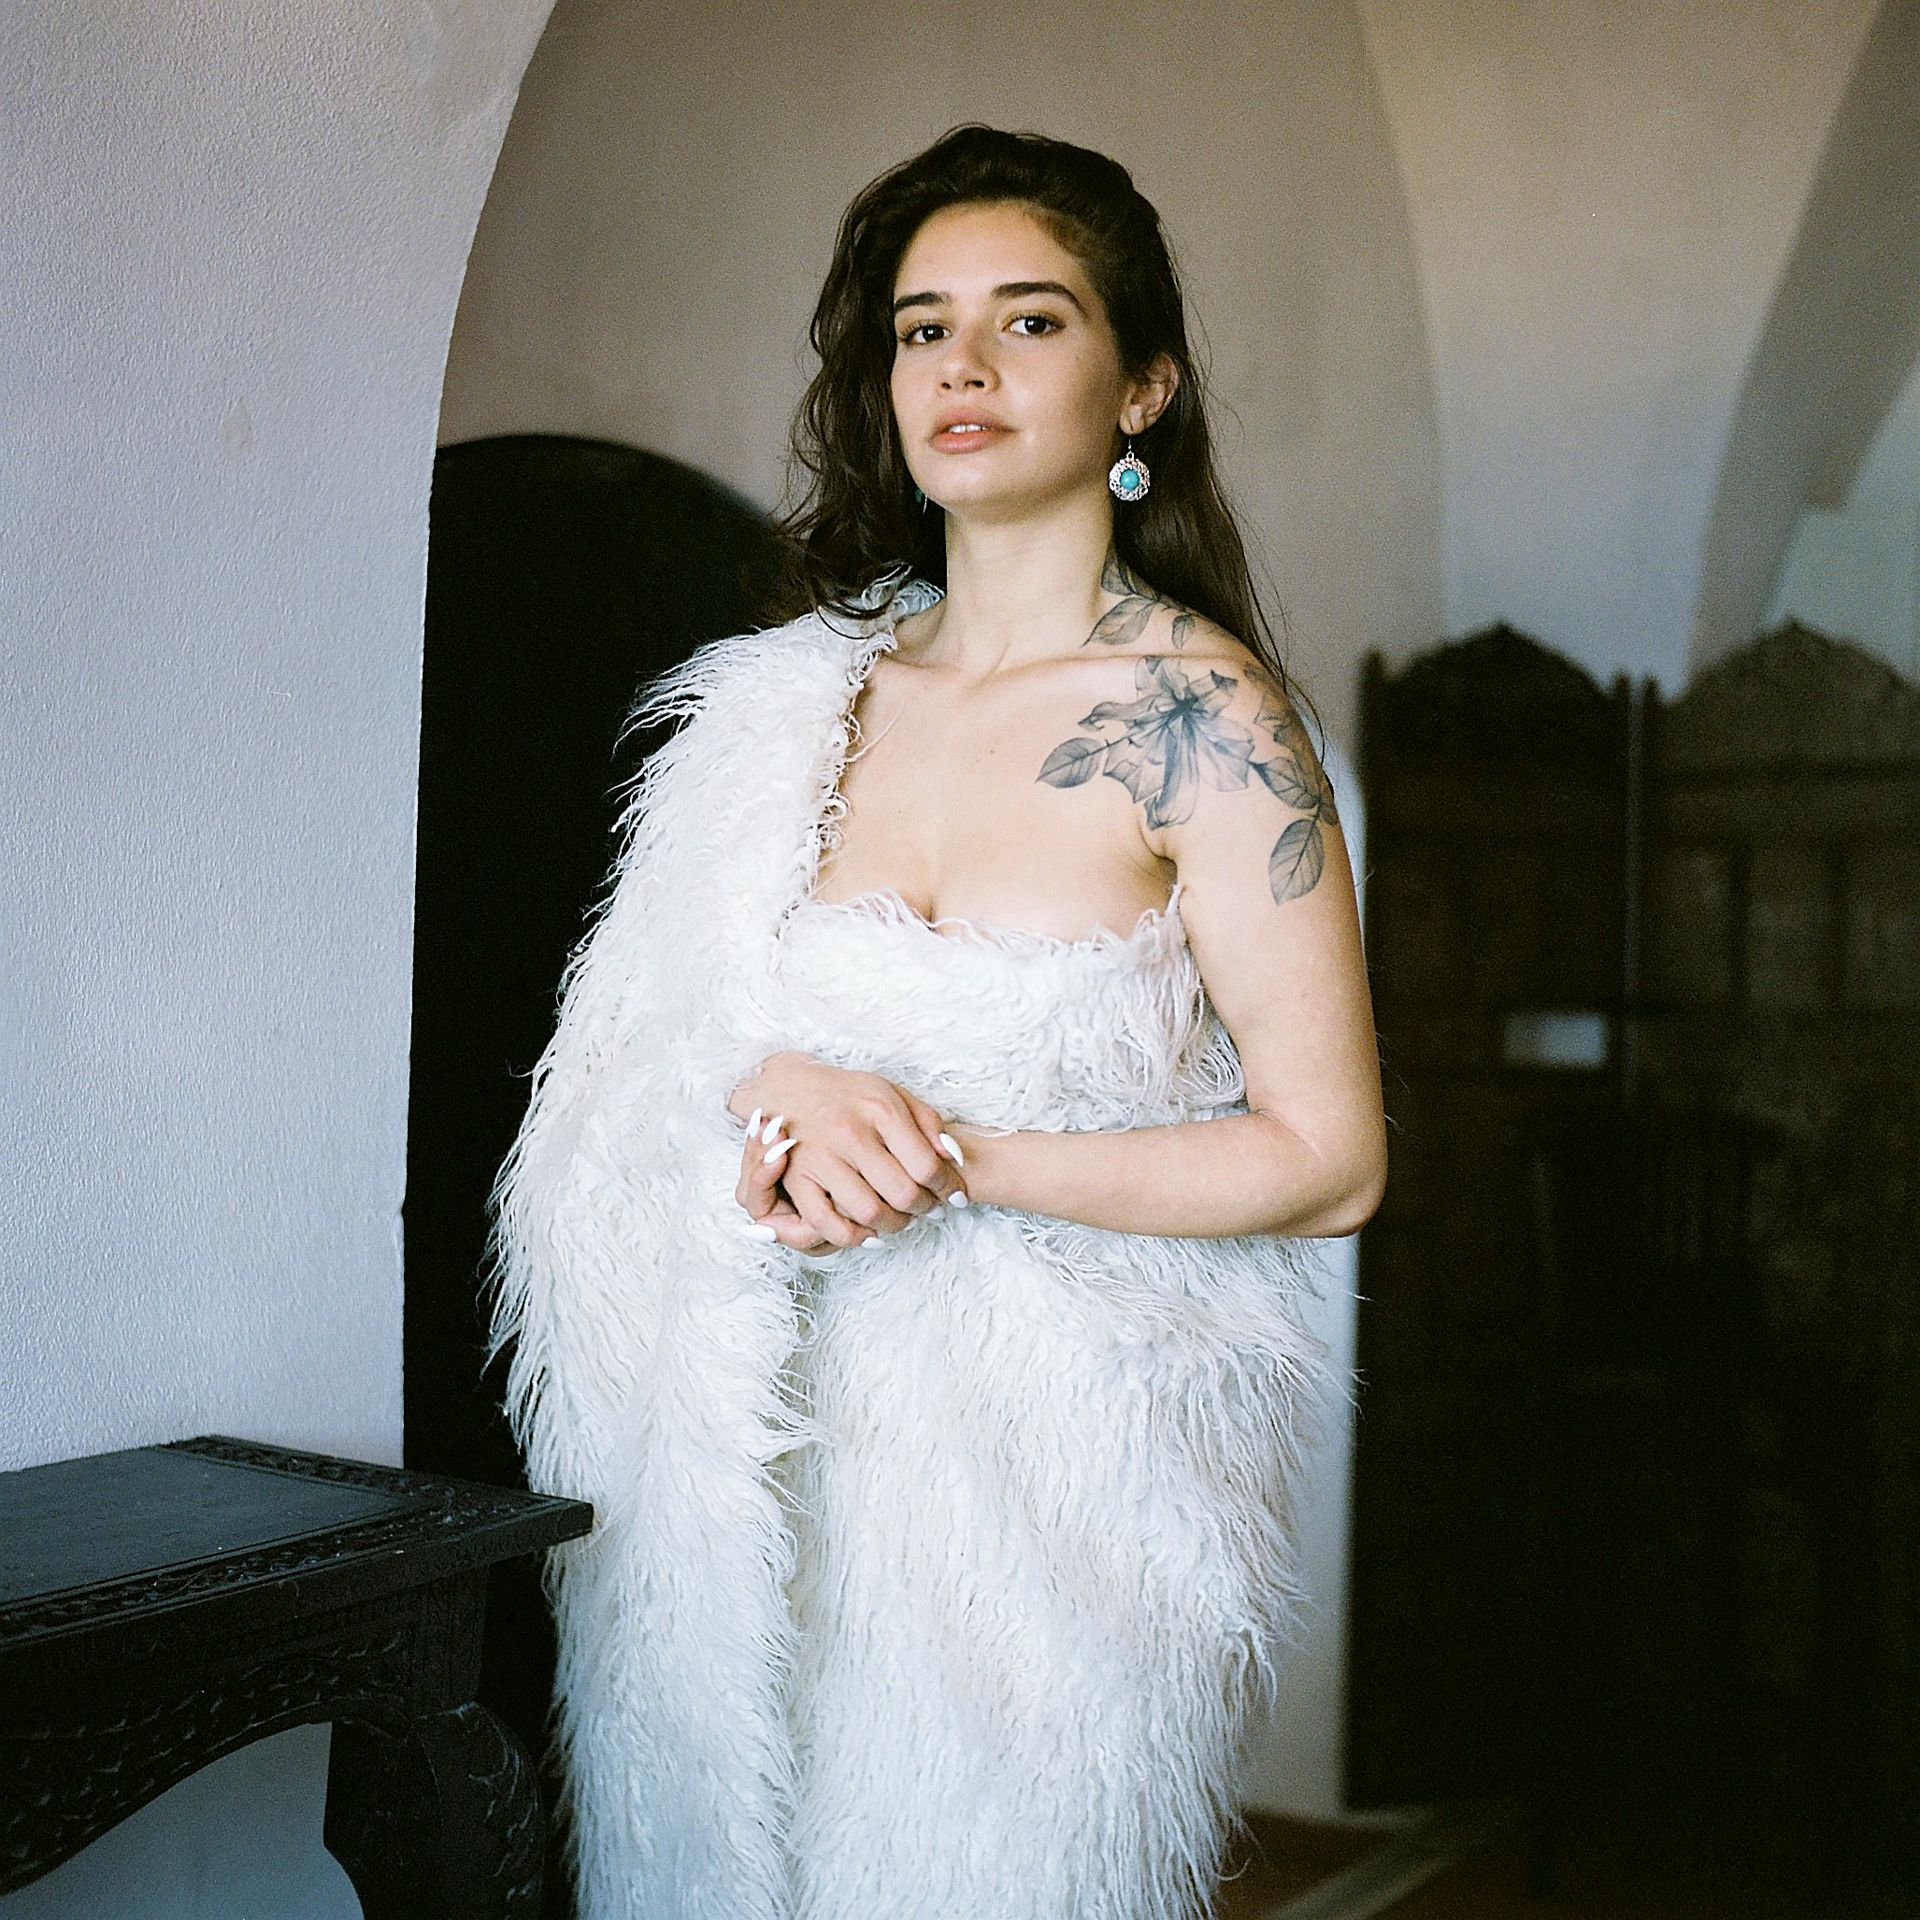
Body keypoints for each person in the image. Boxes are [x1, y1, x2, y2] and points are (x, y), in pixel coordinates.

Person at [489, 123, 1386, 1920]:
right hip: (742, 1481)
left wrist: (952, 1155)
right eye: (921, 329)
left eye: (1028, 320)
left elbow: (1327, 1156)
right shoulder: (774, 712)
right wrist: (772, 1090)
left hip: (1035, 1508)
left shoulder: (1202, 719)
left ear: (1142, 390)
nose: (962, 366)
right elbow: (620, 1074)